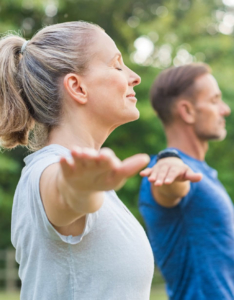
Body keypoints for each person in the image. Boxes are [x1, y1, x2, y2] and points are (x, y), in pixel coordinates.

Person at [0, 21, 158, 300]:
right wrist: (80, 189)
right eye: (117, 65)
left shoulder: (92, 180)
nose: (134, 77)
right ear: (77, 87)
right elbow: (64, 193)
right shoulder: (49, 171)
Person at [139, 63, 234, 300]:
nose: (225, 109)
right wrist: (170, 164)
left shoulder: (204, 173)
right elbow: (171, 186)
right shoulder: (166, 171)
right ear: (188, 111)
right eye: (214, 100)